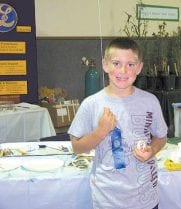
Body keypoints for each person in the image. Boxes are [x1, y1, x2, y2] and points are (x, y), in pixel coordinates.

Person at [68, 37, 168, 209]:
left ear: (139, 68)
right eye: (116, 63)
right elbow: (77, 147)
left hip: (146, 197)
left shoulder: (150, 101)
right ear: (105, 65)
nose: (123, 70)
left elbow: (161, 137)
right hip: (108, 199)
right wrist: (101, 131)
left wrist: (152, 150)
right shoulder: (91, 104)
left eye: (130, 64)